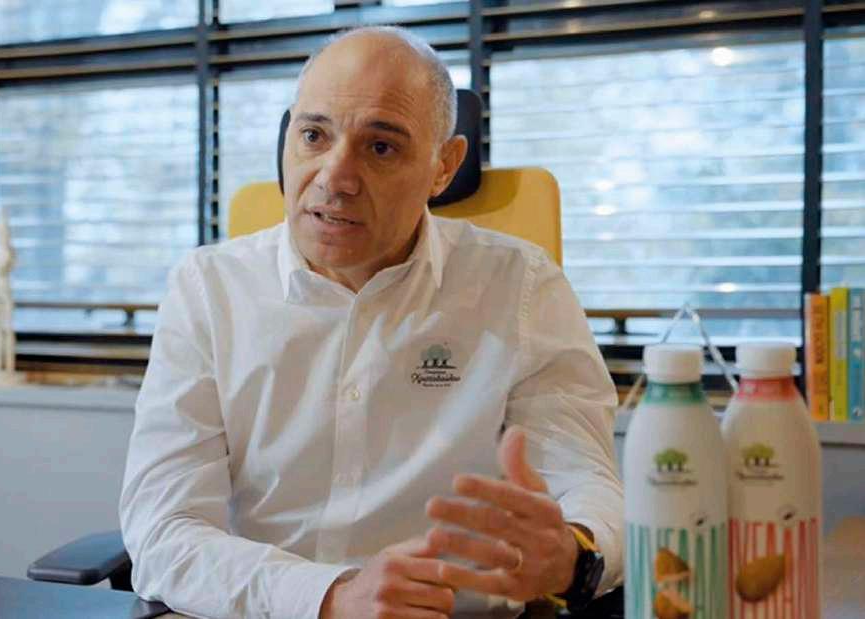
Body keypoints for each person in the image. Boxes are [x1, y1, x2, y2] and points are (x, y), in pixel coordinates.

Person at [120, 26, 622, 619]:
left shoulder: (521, 285)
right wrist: (329, 597)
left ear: (443, 166)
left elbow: (589, 488)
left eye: (380, 147)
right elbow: (164, 529)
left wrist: (572, 554)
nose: (335, 177)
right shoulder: (209, 289)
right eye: (313, 135)